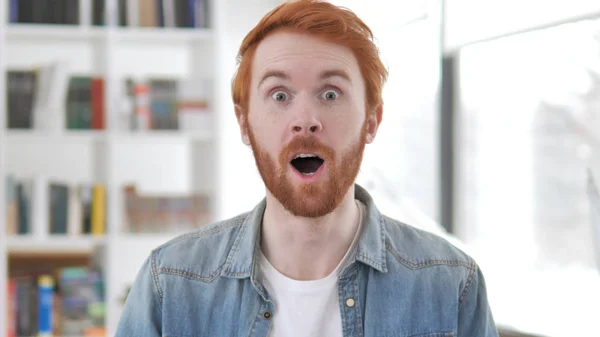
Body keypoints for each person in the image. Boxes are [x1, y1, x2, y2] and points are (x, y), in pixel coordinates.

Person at [115, 1, 499, 336]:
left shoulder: (451, 285)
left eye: (330, 94)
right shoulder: (169, 284)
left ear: (371, 121)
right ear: (245, 124)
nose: (306, 120)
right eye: (279, 95)